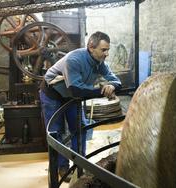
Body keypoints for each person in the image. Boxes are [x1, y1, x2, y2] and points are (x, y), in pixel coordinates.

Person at [39, 31, 122, 182]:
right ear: (91, 47)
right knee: (56, 133)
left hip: (71, 95)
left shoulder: (99, 63)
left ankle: (80, 164)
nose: (107, 54)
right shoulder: (75, 59)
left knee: (80, 127)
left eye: (108, 49)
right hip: (53, 94)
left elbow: (116, 81)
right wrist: (102, 91)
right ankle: (62, 168)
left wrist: (111, 85)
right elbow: (76, 89)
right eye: (104, 50)